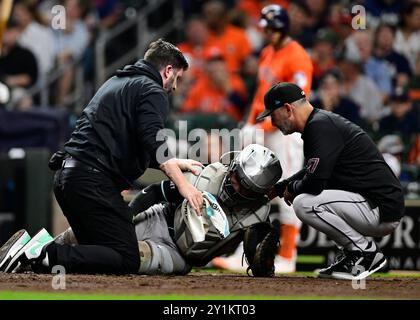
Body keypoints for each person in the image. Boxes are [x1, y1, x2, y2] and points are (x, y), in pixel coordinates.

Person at [0, 39, 205, 275]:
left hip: (69, 178)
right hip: (92, 180)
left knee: (98, 255)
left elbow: (122, 142)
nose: (176, 87)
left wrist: (174, 162)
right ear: (168, 70)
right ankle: (42, 254)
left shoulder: (117, 82)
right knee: (126, 257)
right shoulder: (152, 90)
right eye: (177, 78)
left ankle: (33, 257)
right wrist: (185, 187)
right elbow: (153, 139)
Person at [1, 144, 283, 276]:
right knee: (100, 235)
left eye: (245, 186)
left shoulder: (257, 218)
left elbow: (260, 268)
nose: (235, 185)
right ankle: (38, 251)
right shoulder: (208, 175)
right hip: (161, 218)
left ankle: (40, 258)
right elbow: (154, 192)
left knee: (129, 260)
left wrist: (263, 256)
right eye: (236, 176)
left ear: (258, 194)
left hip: (179, 255)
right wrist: (126, 218)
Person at [258, 82, 405, 280]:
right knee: (305, 199)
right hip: (372, 203)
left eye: (272, 115)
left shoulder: (320, 126)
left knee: (304, 203)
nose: (272, 122)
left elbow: (315, 182)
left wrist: (292, 188)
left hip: (379, 206)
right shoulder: (319, 123)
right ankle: (356, 253)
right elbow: (312, 171)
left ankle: (364, 252)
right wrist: (281, 187)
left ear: (287, 109)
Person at [242, 4, 312, 273]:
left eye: (273, 28)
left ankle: (288, 255)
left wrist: (263, 127)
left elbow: (294, 104)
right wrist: (249, 123)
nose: (269, 32)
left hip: (287, 133)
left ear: (283, 28)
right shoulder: (268, 52)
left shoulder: (298, 57)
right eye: (266, 28)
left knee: (289, 191)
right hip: (265, 130)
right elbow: (260, 93)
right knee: (253, 188)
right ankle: (248, 247)